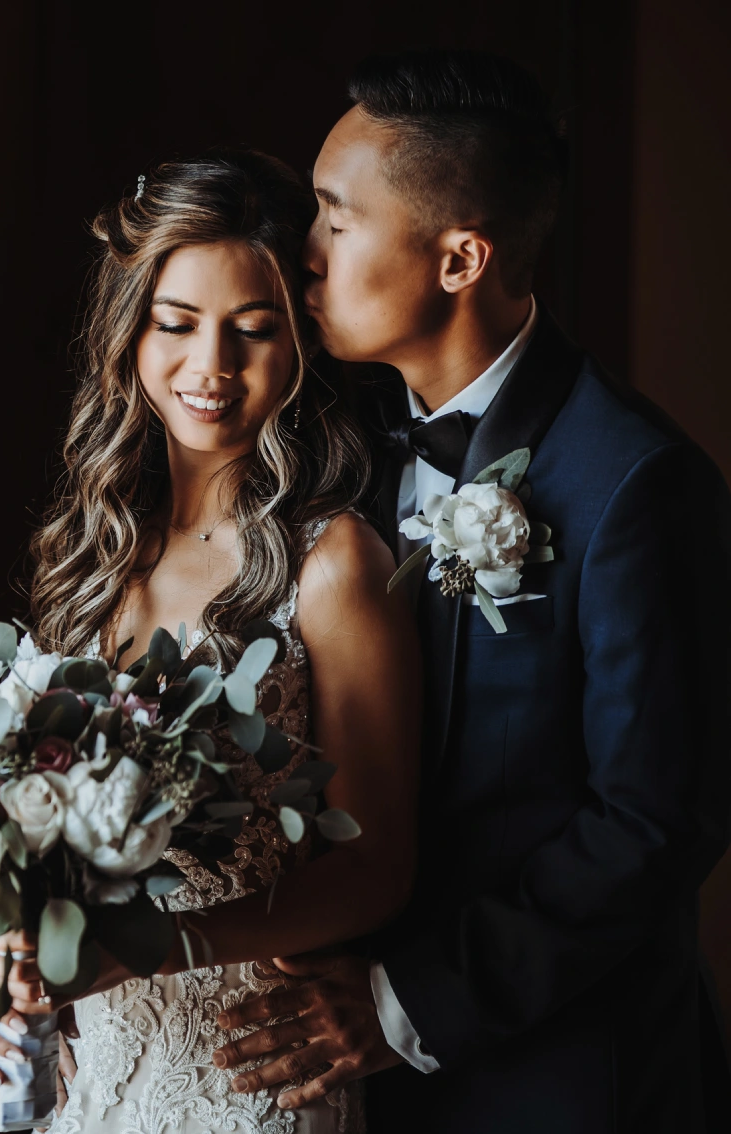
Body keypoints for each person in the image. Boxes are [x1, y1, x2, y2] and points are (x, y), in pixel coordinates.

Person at [205, 51, 731, 1132]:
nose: (301, 253)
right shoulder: (334, 442)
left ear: (458, 258)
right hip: (340, 1081)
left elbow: (653, 819)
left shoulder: (631, 482)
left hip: (563, 1078)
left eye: (335, 222)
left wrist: (408, 1003)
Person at [0, 148, 420, 1133]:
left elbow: (378, 864)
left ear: (298, 345)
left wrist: (162, 947)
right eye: (175, 324)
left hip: (243, 1064)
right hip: (83, 1065)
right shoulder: (86, 554)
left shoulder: (332, 564)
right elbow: (35, 824)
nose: (209, 366)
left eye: (252, 332)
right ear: (130, 332)